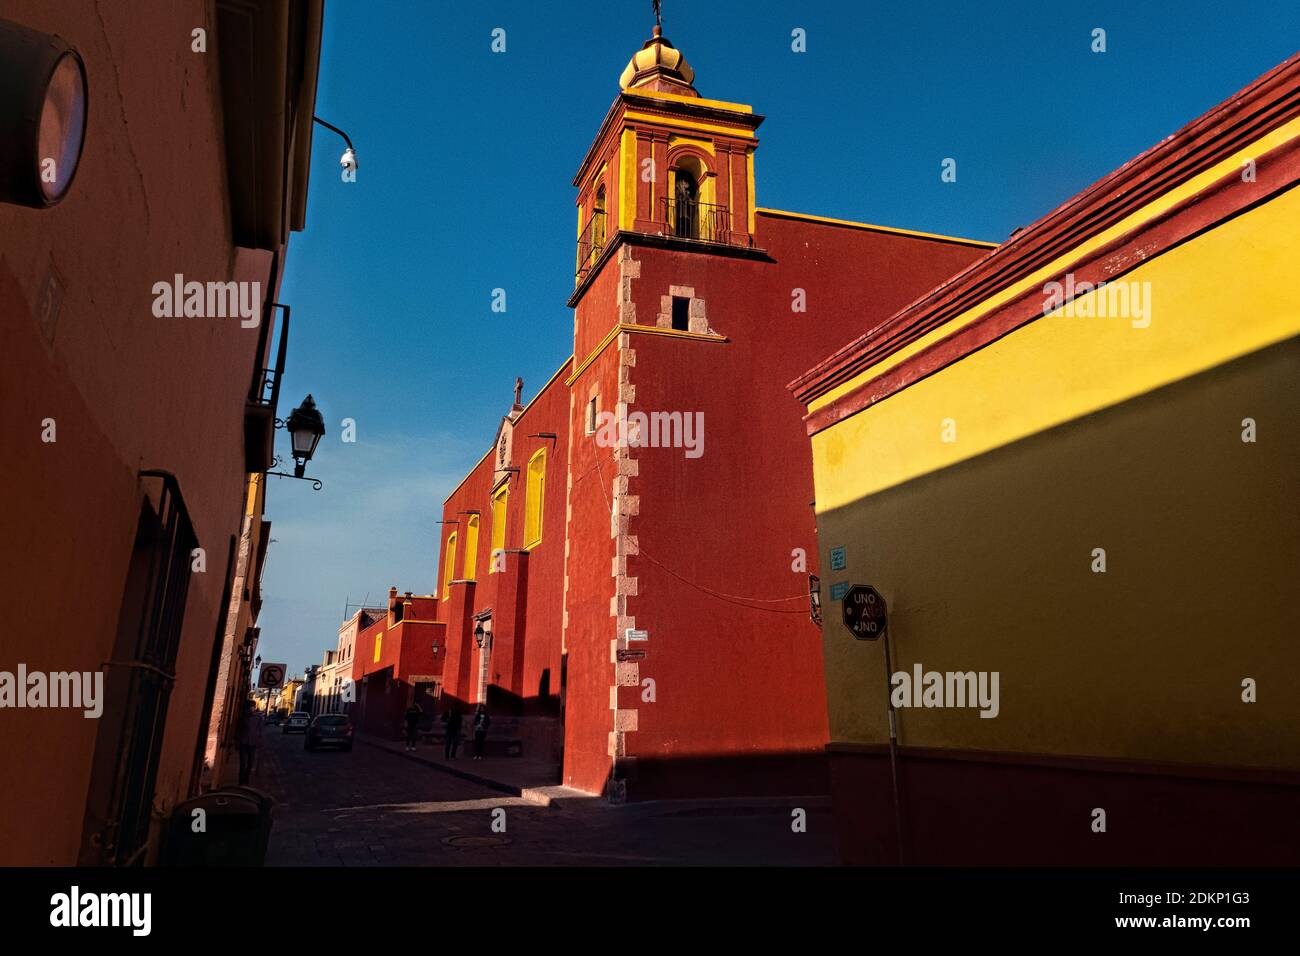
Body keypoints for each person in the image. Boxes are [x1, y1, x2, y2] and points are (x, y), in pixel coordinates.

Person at [237, 698, 262, 784]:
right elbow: (238, 728)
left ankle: (246, 777)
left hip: (252, 742)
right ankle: (240, 780)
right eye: (249, 707)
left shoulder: (258, 717)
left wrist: (259, 740)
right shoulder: (243, 717)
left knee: (250, 762)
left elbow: (260, 729)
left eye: (252, 707)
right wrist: (237, 740)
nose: (251, 709)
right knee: (243, 762)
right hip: (243, 742)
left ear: (254, 707)